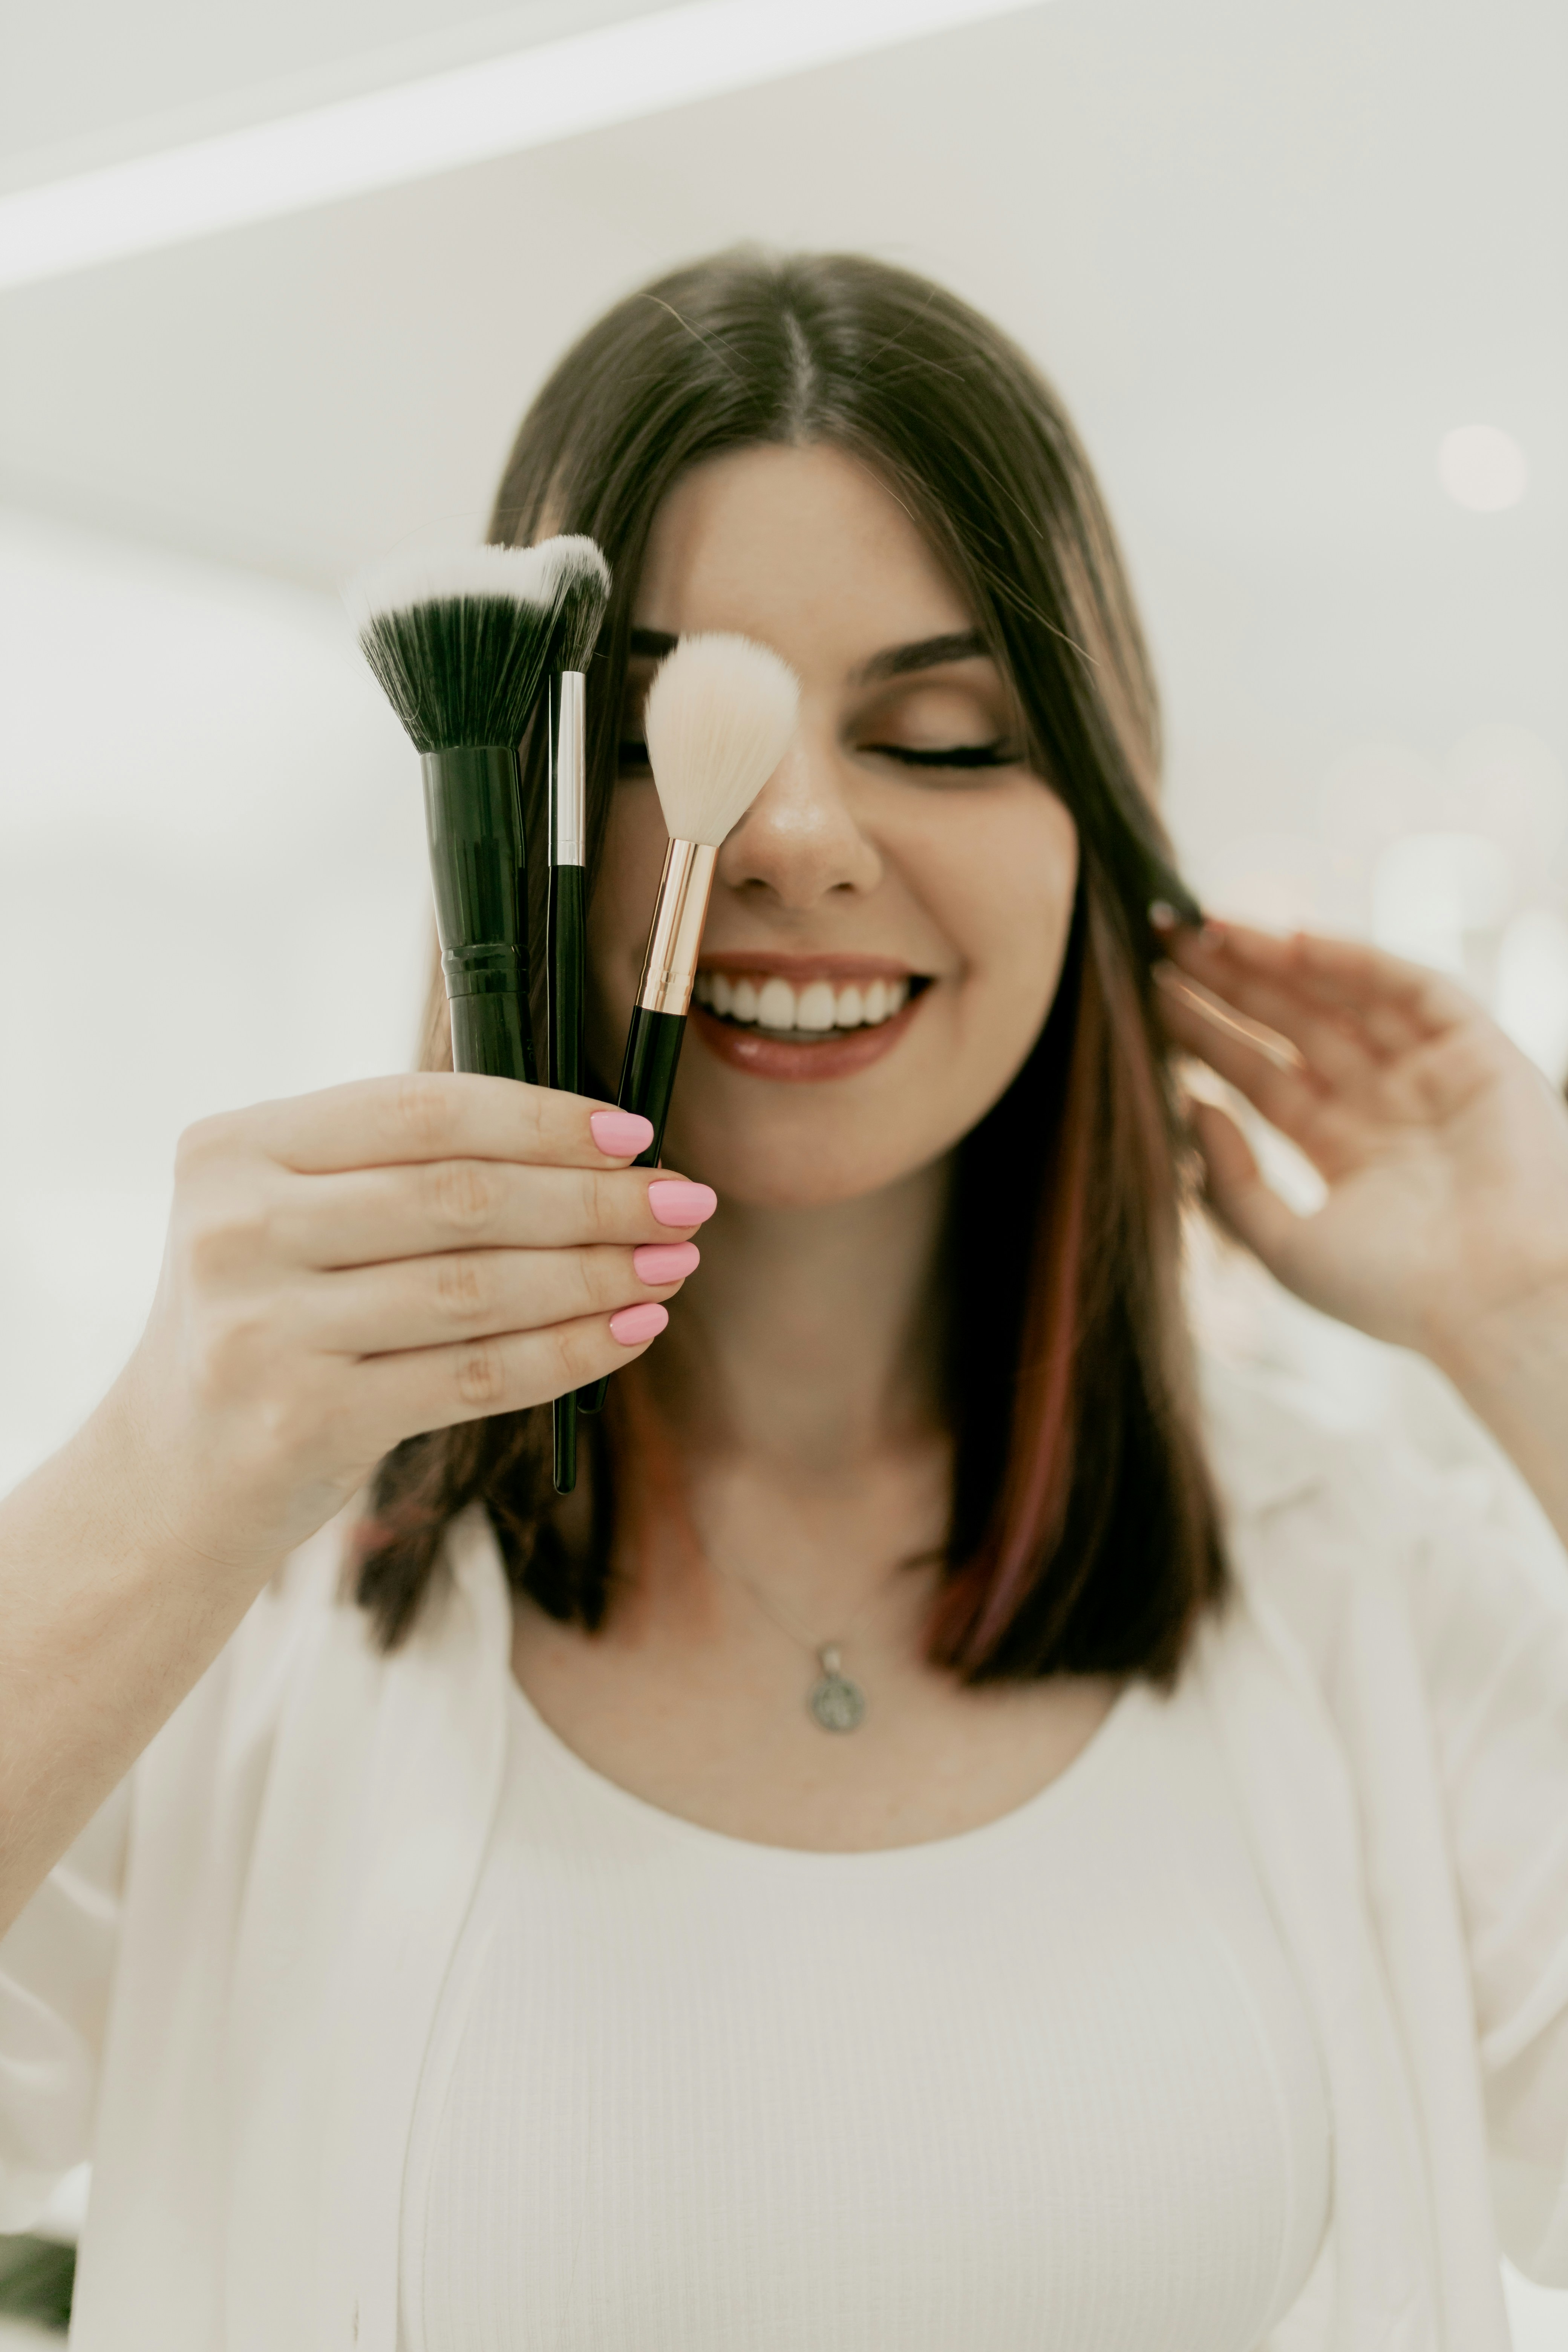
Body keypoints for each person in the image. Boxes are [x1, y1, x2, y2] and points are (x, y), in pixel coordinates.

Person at [2, 250, 1567, 2352]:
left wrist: (1541, 1320)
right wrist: (148, 1486)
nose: (798, 835)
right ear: (508, 805)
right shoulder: (238, 1614)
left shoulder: (1365, 1592)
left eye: (944, 735)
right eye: (667, 729)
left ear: (1098, 834)